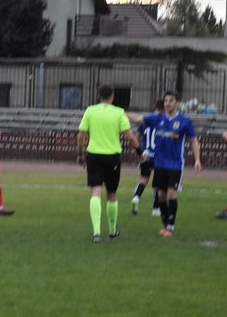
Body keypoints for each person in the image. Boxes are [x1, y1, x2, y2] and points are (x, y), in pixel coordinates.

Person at [128, 91, 202, 238]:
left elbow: (193, 141)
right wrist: (120, 113)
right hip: (159, 163)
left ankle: (171, 226)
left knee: (171, 193)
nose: (167, 103)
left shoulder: (184, 120)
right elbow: (138, 119)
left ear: (177, 102)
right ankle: (165, 224)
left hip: (175, 164)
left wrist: (197, 159)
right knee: (161, 195)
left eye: (171, 100)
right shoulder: (157, 118)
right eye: (166, 101)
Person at [78, 85, 140, 243]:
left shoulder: (90, 111)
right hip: (112, 157)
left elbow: (81, 135)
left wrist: (80, 154)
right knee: (111, 193)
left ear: (99, 95)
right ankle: (112, 231)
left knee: (95, 192)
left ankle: (96, 232)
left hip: (94, 156)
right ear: (112, 96)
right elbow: (130, 136)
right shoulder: (119, 112)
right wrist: (139, 152)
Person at [131, 99, 165, 217]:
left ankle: (136, 197)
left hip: (146, 154)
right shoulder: (164, 120)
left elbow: (136, 137)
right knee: (159, 183)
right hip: (158, 155)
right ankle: (156, 208)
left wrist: (141, 152)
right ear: (164, 107)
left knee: (144, 180)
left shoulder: (146, 120)